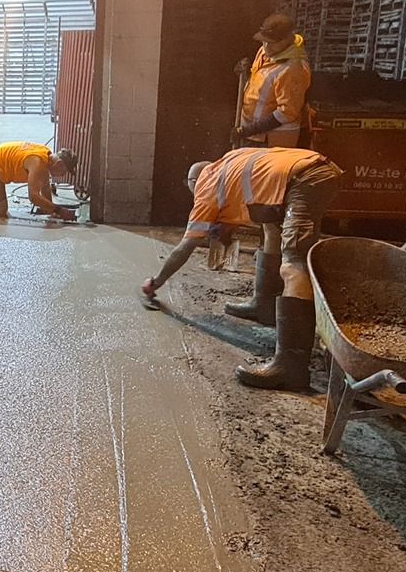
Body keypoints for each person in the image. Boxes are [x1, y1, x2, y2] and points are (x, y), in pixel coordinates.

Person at [140, 147, 342, 391]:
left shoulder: (207, 185)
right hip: (313, 170)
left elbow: (186, 245)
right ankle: (264, 305)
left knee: (293, 264)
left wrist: (157, 281)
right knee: (272, 230)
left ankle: (291, 368)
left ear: (194, 180)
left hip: (306, 181)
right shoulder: (231, 161)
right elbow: (260, 197)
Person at [235, 14, 311, 148]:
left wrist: (251, 129)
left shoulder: (293, 69)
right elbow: (260, 84)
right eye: (264, 41)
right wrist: (243, 73)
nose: (266, 46)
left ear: (287, 39)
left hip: (273, 139)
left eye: (271, 42)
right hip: (255, 134)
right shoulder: (266, 52)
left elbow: (287, 112)